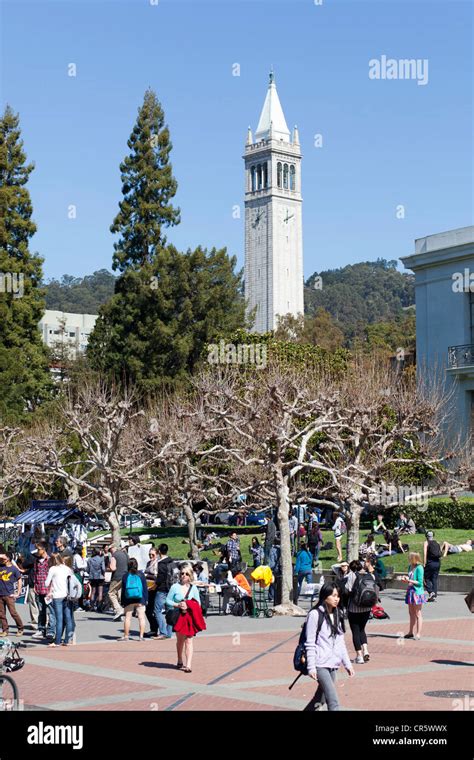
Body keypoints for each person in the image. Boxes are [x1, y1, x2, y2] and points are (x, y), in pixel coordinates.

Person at [303, 582, 354, 711]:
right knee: (333, 701)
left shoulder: (338, 613)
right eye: (333, 595)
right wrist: (311, 667)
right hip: (320, 664)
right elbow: (310, 642)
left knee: (320, 699)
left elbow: (340, 642)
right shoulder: (315, 614)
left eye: (338, 596)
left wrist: (347, 664)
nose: (336, 599)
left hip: (333, 664)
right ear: (324, 596)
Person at [166, 562, 206, 673]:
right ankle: (179, 659)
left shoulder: (193, 588)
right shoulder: (175, 587)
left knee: (189, 640)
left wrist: (188, 604)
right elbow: (168, 600)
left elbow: (198, 603)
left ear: (190, 575)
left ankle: (188, 665)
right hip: (179, 616)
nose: (184, 575)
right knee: (180, 640)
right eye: (182, 573)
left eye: (187, 574)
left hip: (189, 617)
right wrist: (177, 604)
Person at [345, 557, 378, 664]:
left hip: (354, 607)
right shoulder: (370, 575)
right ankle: (366, 651)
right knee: (362, 629)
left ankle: (359, 655)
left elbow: (348, 589)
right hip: (367, 607)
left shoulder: (352, 575)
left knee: (355, 631)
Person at [45, 553, 74, 647]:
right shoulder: (67, 569)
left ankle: (57, 641)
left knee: (59, 619)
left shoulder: (53, 569)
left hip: (57, 596)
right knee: (68, 618)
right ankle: (67, 640)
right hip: (67, 595)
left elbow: (46, 583)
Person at [118, 558, 148, 641]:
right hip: (140, 598)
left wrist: (123, 601)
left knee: (128, 617)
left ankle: (126, 636)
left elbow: (123, 590)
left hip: (128, 599)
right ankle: (141, 636)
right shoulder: (141, 574)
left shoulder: (125, 576)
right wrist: (146, 599)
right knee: (141, 617)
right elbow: (145, 588)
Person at [401, 552, 428, 640]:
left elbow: (420, 583)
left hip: (417, 592)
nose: (408, 559)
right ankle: (410, 632)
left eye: (410, 558)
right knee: (411, 613)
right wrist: (406, 579)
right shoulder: (410, 567)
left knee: (417, 613)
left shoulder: (419, 568)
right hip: (410, 591)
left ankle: (418, 633)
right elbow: (411, 579)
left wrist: (410, 580)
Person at [30, 541, 52, 640]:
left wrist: (51, 589)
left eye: (39, 549)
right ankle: (41, 629)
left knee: (51, 611)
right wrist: (35, 585)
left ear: (44, 550)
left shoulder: (50, 561)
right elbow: (36, 574)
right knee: (41, 610)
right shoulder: (36, 561)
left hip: (48, 590)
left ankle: (51, 630)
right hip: (39, 589)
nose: (37, 551)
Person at [0, 550, 24, 637]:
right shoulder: (1, 566)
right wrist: (2, 555)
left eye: (4, 558)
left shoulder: (14, 569)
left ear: (8, 559)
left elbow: (19, 580)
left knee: (13, 613)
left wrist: (18, 592)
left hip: (9, 594)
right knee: (1, 614)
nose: (2, 559)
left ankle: (20, 628)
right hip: (0, 594)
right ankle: (5, 630)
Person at [153, 544, 174, 640]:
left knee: (157, 610)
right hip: (171, 589)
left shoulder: (161, 563)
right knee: (169, 611)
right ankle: (169, 632)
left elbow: (160, 578)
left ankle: (163, 632)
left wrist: (155, 585)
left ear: (159, 552)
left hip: (162, 589)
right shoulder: (171, 561)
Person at [108, 544, 129, 621]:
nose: (110, 552)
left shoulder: (114, 556)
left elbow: (113, 568)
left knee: (111, 593)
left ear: (112, 549)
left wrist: (109, 566)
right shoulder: (124, 554)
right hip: (125, 576)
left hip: (117, 577)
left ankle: (118, 609)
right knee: (119, 594)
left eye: (110, 550)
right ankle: (120, 614)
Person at [144, 546, 159, 637]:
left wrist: (148, 575)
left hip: (154, 587)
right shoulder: (148, 563)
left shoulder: (157, 563)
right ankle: (153, 628)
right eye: (149, 554)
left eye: (152, 554)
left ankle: (155, 628)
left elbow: (157, 577)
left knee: (152, 610)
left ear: (156, 554)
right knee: (148, 610)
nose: (150, 556)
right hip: (148, 587)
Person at [423, 531, 442, 602]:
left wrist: (424, 563)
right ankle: (434, 595)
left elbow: (425, 554)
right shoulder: (437, 542)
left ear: (426, 536)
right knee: (434, 578)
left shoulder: (426, 542)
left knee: (425, 578)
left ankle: (431, 592)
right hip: (437, 562)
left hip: (430, 562)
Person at [87, 547, 106, 611]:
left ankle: (91, 606)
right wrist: (103, 574)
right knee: (100, 592)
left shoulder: (90, 559)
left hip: (92, 576)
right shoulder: (101, 559)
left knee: (93, 591)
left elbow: (88, 569)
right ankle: (99, 607)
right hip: (100, 576)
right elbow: (103, 569)